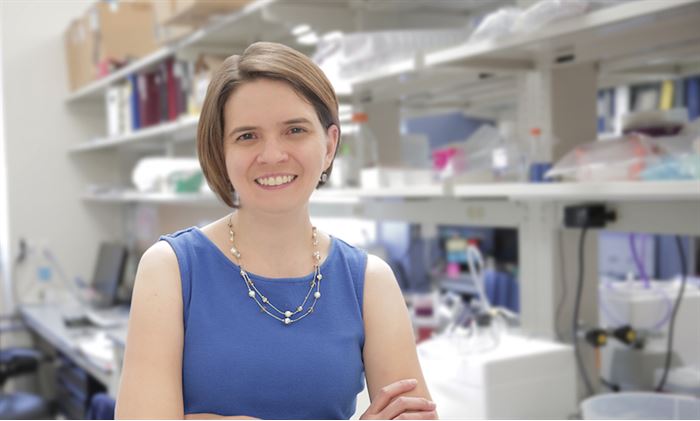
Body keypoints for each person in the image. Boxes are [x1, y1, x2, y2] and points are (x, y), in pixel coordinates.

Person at [115, 41, 436, 420]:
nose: (272, 155)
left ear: (330, 144)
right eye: (247, 136)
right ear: (221, 151)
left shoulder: (368, 281)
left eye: (295, 130)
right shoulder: (170, 269)